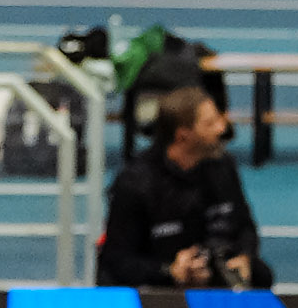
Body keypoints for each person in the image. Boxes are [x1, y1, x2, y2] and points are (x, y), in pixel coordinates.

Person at [94, 65, 270, 289]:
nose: (222, 128)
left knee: (261, 275)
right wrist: (170, 271)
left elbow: (245, 226)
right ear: (183, 135)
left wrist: (244, 256)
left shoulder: (223, 167)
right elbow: (117, 260)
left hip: (211, 275)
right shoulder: (136, 183)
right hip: (156, 285)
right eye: (210, 123)